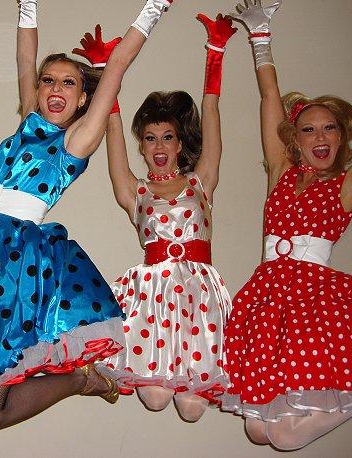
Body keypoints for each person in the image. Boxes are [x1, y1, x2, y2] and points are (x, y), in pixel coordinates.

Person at [0, 0, 174, 434]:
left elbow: (117, 65)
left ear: (83, 98)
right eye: (48, 80)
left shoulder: (76, 139)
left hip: (11, 259)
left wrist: (152, 8)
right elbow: (26, 58)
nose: (56, 88)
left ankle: (81, 380)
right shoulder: (28, 120)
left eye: (69, 82)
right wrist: (28, 5)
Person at [221, 0, 352, 450]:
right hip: (269, 299)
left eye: (330, 128)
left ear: (341, 138)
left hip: (315, 302)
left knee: (283, 437)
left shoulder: (345, 187)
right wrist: (260, 38)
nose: (320, 137)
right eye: (308, 129)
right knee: (256, 429)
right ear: (295, 139)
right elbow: (270, 98)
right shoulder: (281, 173)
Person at [89, 14, 236, 422]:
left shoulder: (202, 182)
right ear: (142, 145)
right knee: (154, 398)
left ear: (179, 143)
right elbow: (112, 128)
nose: (158, 146)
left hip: (200, 301)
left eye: (167, 137)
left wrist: (216, 53)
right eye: (150, 138)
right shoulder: (133, 192)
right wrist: (103, 72)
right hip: (152, 300)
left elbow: (211, 111)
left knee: (192, 410)